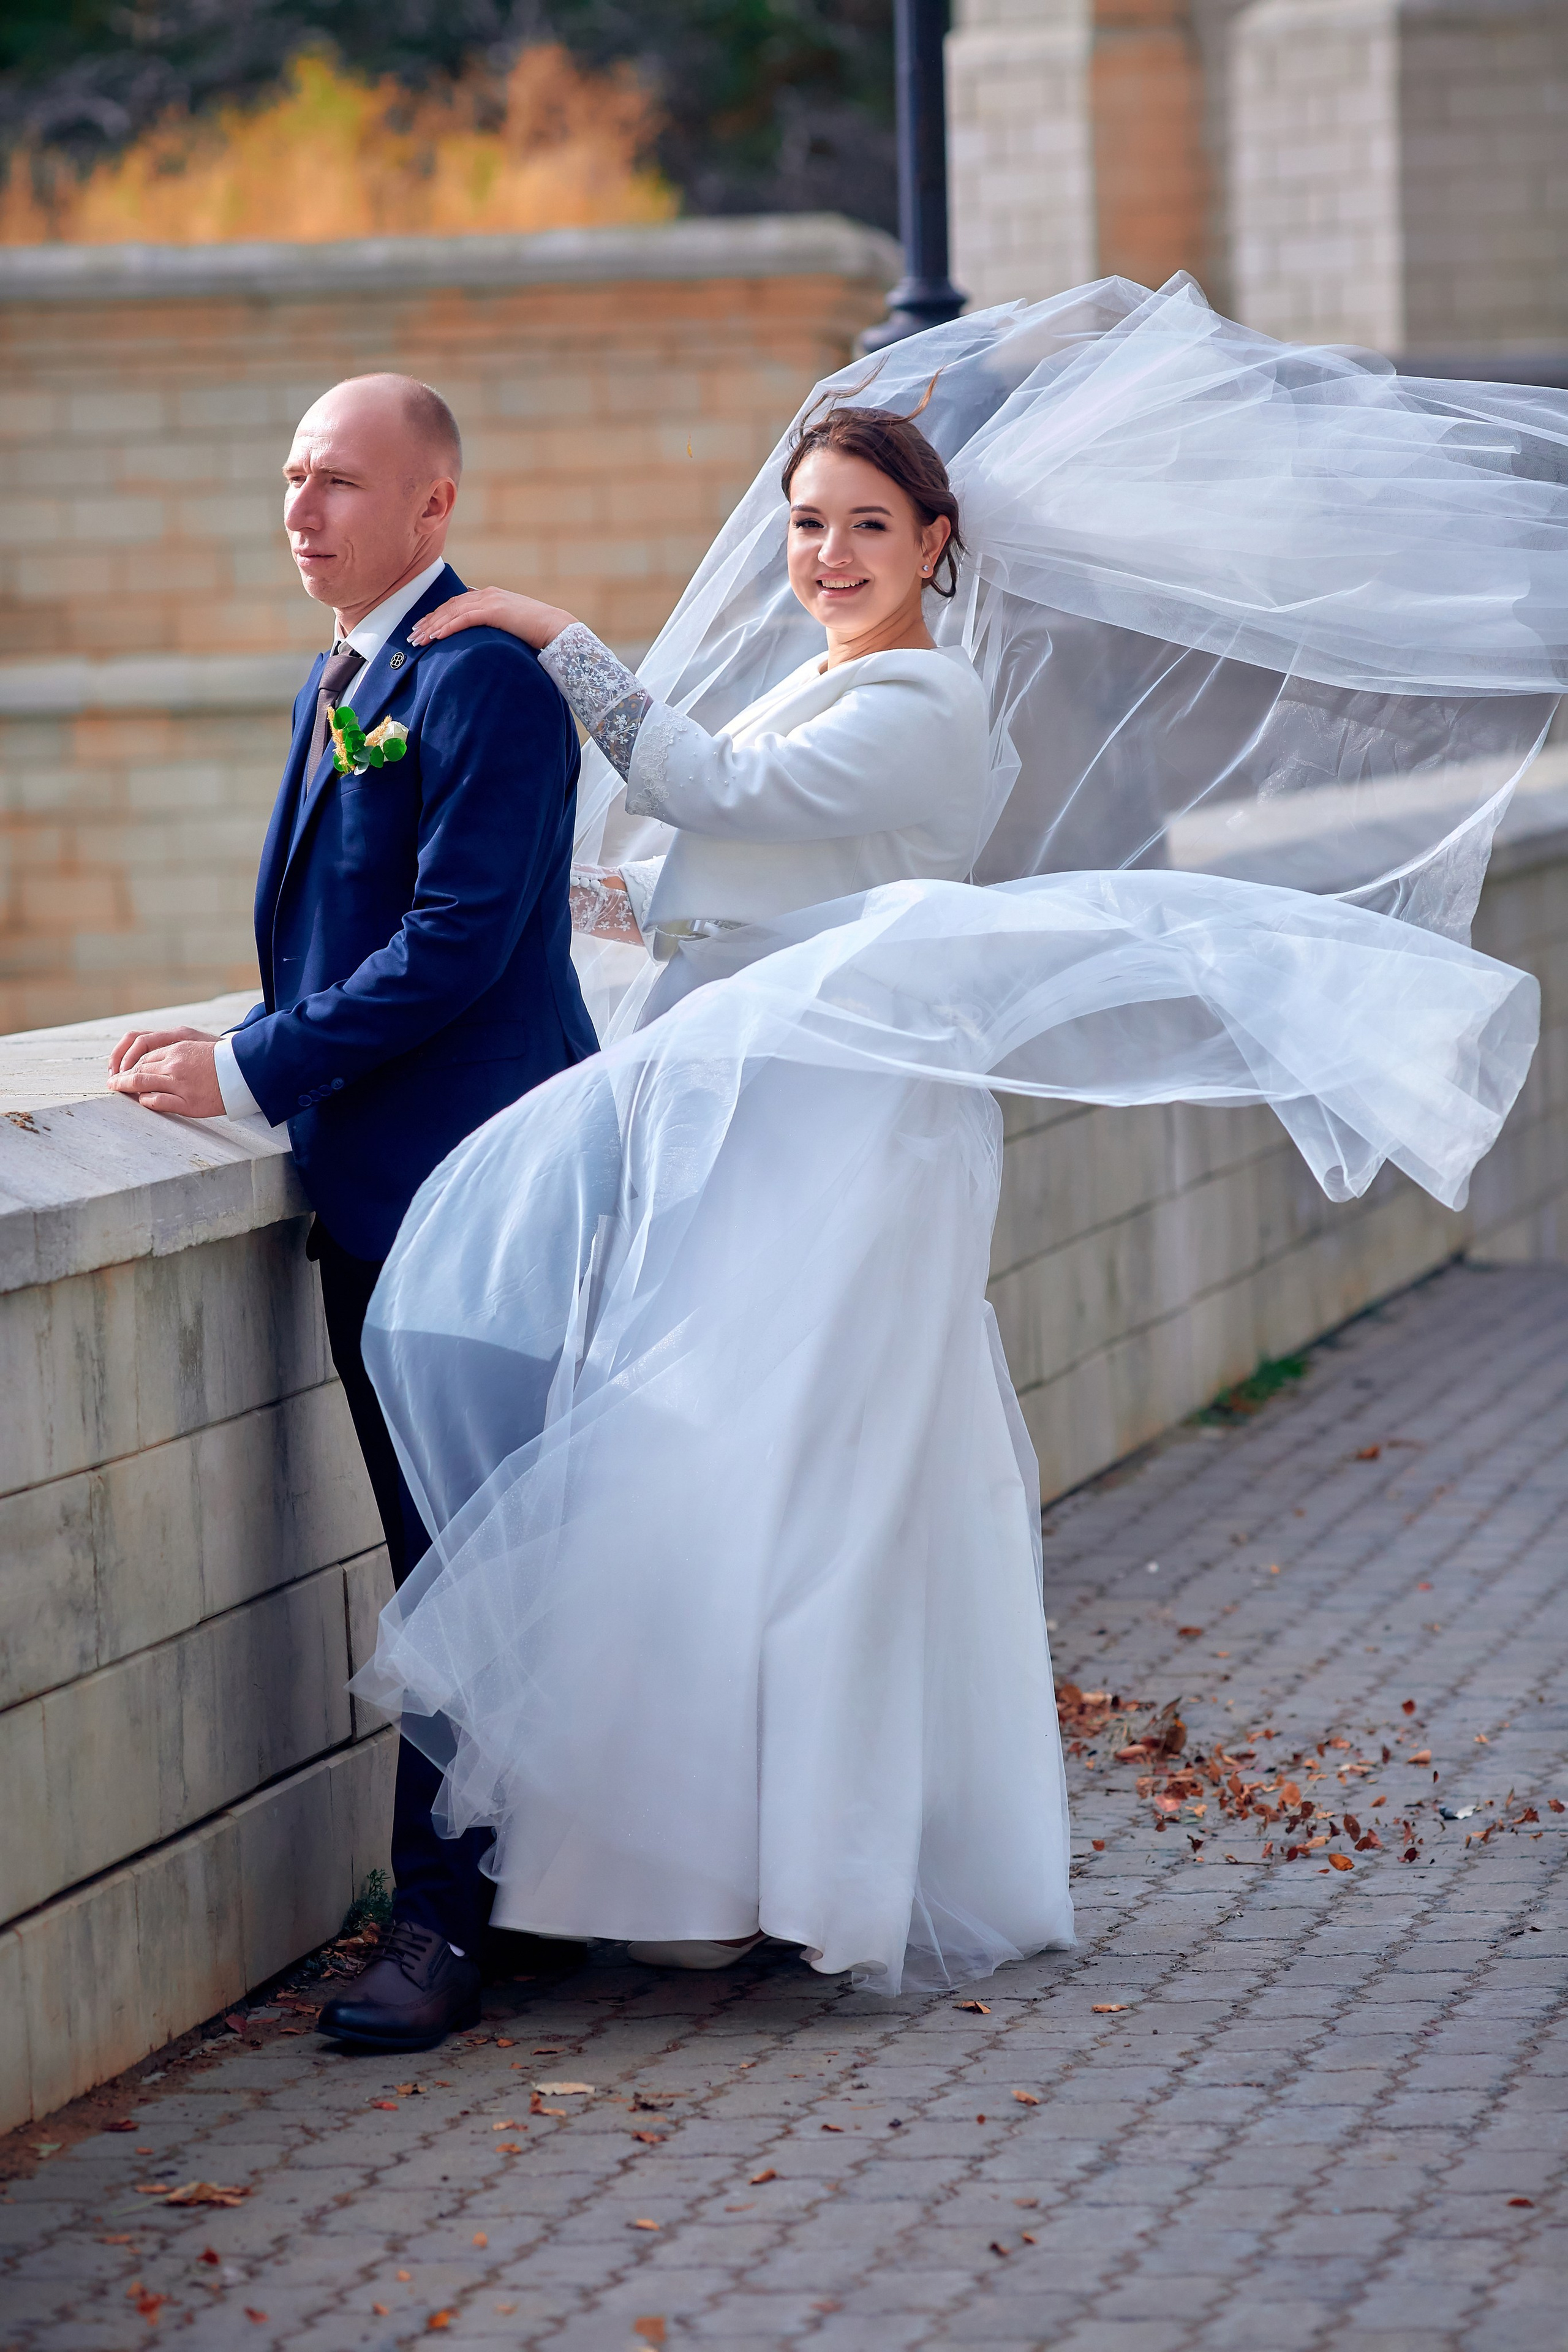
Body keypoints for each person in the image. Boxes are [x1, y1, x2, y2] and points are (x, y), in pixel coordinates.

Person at [349, 278, 1564, 1994]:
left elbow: (733, 798)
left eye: (863, 526)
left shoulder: (919, 698)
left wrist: (551, 637)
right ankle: (694, 1866)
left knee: (804, 1479)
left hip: (851, 1133)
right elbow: (756, 867)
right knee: (727, 1471)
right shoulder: (837, 681)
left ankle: (796, 1876)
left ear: (934, 541)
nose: (827, 554)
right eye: (805, 524)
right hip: (773, 1114)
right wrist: (613, 897)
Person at [107, 371, 597, 2050]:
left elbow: (456, 948)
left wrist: (245, 1065)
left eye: (337, 481)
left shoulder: (485, 688)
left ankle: (447, 1933)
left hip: (477, 1193)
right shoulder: (359, 677)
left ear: (434, 507)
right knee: (459, 1556)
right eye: (292, 477)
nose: (300, 509)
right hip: (389, 1189)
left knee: (459, 1567)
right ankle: (523, 1896)